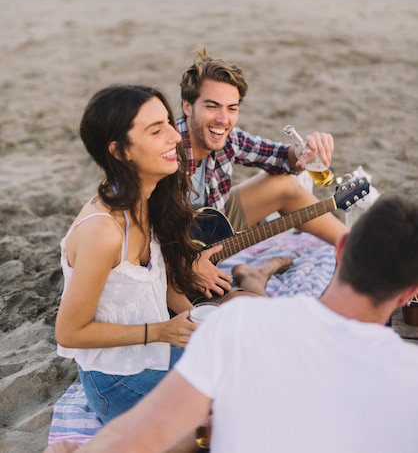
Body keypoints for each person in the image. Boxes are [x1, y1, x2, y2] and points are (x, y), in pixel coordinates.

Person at [43, 193, 418, 453]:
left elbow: (145, 431)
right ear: (409, 294)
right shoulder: (409, 379)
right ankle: (255, 279)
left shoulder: (240, 324)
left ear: (340, 247)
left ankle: (255, 280)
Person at [54, 84, 203, 452]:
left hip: (159, 353)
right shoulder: (103, 232)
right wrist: (162, 331)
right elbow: (69, 332)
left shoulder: (149, 197)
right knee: (219, 426)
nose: (174, 135)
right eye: (156, 131)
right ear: (119, 151)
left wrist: (203, 321)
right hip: (118, 379)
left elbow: (161, 280)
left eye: (169, 123)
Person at [178, 46, 348, 297]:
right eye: (212, 106)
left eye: (232, 108)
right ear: (187, 106)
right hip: (172, 251)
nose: (223, 119)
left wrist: (304, 152)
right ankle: (252, 277)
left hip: (210, 225)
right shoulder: (167, 152)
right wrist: (188, 266)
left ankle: (358, 249)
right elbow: (144, 242)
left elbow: (280, 157)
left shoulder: (228, 138)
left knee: (285, 185)